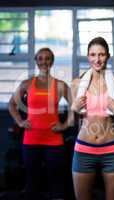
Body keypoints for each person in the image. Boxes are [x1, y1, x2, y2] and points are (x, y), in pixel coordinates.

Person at [8, 47, 73, 200]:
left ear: (52, 61)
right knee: (32, 180)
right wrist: (20, 121)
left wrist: (65, 125)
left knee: (56, 180)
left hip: (54, 139)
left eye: (47, 58)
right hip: (31, 139)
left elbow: (75, 106)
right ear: (36, 62)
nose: (44, 61)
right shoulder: (27, 84)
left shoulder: (60, 85)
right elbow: (12, 104)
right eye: (41, 58)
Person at [71, 37, 114, 200]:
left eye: (101, 55)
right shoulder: (77, 84)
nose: (97, 59)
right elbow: (71, 121)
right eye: (93, 55)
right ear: (88, 56)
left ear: (108, 56)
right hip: (84, 149)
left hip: (112, 150)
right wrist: (73, 110)